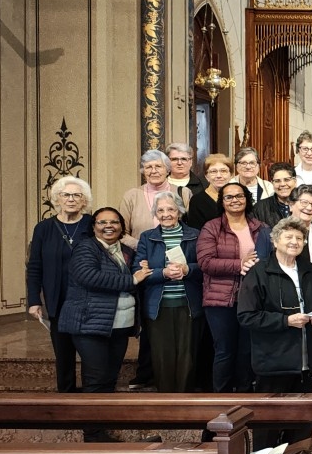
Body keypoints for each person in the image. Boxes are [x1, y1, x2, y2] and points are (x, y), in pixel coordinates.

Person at [238, 217, 312, 448]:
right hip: (273, 364)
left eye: (299, 238)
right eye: (288, 237)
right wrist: (285, 321)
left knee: (301, 432)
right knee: (268, 431)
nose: (294, 242)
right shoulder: (260, 272)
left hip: (308, 364)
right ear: (275, 241)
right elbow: (246, 315)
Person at [58, 208, 151, 439]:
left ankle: (104, 424)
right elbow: (88, 276)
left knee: (109, 378)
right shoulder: (86, 248)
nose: (109, 226)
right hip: (89, 324)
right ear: (94, 226)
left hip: (118, 326)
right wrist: (132, 279)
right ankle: (93, 434)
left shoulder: (126, 250)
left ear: (122, 226)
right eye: (102, 222)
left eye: (114, 222)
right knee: (96, 380)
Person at [197, 183, 271, 393]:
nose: (234, 200)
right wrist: (240, 264)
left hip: (253, 298)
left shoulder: (261, 227)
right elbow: (205, 262)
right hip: (220, 300)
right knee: (225, 351)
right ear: (222, 201)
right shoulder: (211, 227)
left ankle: (245, 397)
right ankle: (221, 401)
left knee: (247, 351)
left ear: (247, 199)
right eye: (228, 197)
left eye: (239, 196)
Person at [26, 176, 93, 394]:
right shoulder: (43, 228)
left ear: (84, 201)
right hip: (57, 300)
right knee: (63, 354)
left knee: (90, 353)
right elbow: (35, 266)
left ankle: (92, 399)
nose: (71, 199)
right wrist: (34, 300)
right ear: (57, 198)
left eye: (77, 195)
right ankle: (66, 398)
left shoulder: (92, 225)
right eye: (66, 195)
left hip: (87, 300)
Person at [133, 192, 203, 393]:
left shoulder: (195, 235)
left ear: (180, 211)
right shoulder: (147, 237)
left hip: (188, 303)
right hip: (158, 306)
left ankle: (184, 401)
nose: (166, 214)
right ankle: (166, 401)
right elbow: (137, 273)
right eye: (160, 210)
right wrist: (162, 272)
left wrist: (187, 269)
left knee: (187, 355)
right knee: (162, 356)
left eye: (171, 209)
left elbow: (205, 267)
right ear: (155, 213)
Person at [184, 153, 234, 231]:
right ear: (207, 176)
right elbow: (195, 232)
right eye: (213, 171)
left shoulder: (239, 197)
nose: (219, 175)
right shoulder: (197, 201)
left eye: (223, 171)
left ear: (231, 175)